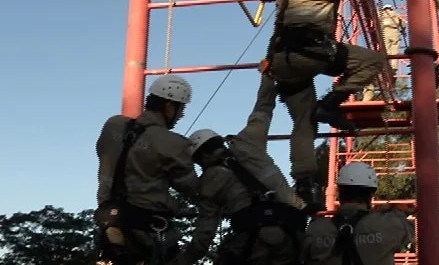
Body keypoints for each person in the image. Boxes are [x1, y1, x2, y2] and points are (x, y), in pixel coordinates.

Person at [261, 0, 389, 203]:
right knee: (373, 61)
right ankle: (331, 103)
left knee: (303, 123)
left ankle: (305, 184)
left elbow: (279, 23)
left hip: (282, 60)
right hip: (312, 54)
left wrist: (269, 58)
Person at [170, 75, 313, 265]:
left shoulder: (209, 184)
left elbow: (204, 235)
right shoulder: (249, 141)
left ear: (201, 158)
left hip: (252, 240)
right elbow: (264, 107)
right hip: (294, 233)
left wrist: (182, 261)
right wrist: (267, 76)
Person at [95, 74, 199, 265]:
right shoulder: (174, 144)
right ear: (169, 106)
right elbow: (193, 189)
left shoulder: (113, 126)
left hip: (110, 229)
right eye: (181, 108)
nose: (182, 115)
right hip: (148, 234)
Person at [302, 162, 414, 265]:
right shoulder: (390, 224)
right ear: (370, 195)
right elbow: (408, 232)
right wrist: (398, 212)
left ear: (339, 193)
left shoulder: (316, 229)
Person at [362, 4, 407, 101]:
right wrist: (403, 30)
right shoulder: (395, 14)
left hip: (384, 32)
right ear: (390, 8)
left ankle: (385, 64)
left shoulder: (380, 13)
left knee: (385, 50)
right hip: (394, 32)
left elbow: (373, 19)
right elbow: (403, 24)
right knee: (394, 51)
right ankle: (393, 67)